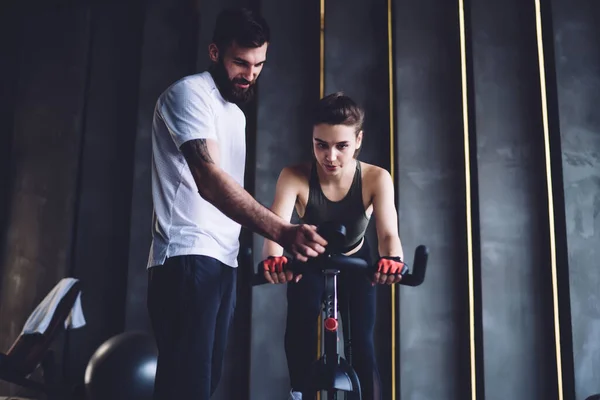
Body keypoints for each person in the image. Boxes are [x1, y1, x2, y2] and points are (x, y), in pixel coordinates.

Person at [146, 7, 328, 400]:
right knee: (187, 389)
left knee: (202, 386)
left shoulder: (234, 113)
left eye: (259, 64)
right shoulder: (189, 94)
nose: (250, 74)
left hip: (222, 264)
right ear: (214, 52)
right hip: (187, 258)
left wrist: (272, 258)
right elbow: (210, 182)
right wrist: (282, 230)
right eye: (240, 63)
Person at [260, 92, 407, 400]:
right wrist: (273, 261)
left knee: (361, 346)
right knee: (298, 334)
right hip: (308, 264)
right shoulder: (294, 176)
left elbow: (388, 234)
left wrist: (392, 259)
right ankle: (299, 394)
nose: (330, 157)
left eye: (342, 146)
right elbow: (275, 227)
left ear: (358, 140)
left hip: (357, 263)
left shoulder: (376, 178)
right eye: (321, 144)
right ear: (312, 139)